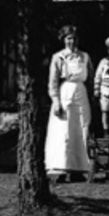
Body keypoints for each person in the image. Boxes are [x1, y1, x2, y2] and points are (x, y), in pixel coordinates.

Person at [45, 24, 93, 181]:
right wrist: (55, 100)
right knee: (63, 131)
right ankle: (61, 168)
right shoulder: (58, 57)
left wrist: (93, 96)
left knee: (81, 129)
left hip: (81, 94)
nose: (72, 42)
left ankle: (78, 169)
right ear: (64, 39)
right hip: (65, 94)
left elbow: (91, 79)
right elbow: (53, 81)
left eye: (74, 38)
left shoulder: (85, 57)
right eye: (69, 38)